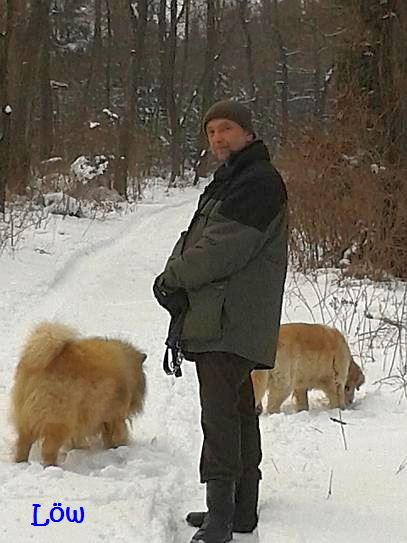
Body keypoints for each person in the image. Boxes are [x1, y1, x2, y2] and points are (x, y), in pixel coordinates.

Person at [153, 100, 288, 543]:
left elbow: (220, 249)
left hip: (231, 319)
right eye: (211, 132)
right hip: (224, 316)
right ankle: (241, 511)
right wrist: (174, 273)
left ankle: (219, 519)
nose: (217, 139)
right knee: (237, 409)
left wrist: (172, 279)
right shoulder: (230, 181)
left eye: (226, 129)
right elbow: (194, 238)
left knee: (220, 416)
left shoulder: (258, 183)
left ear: (247, 133)